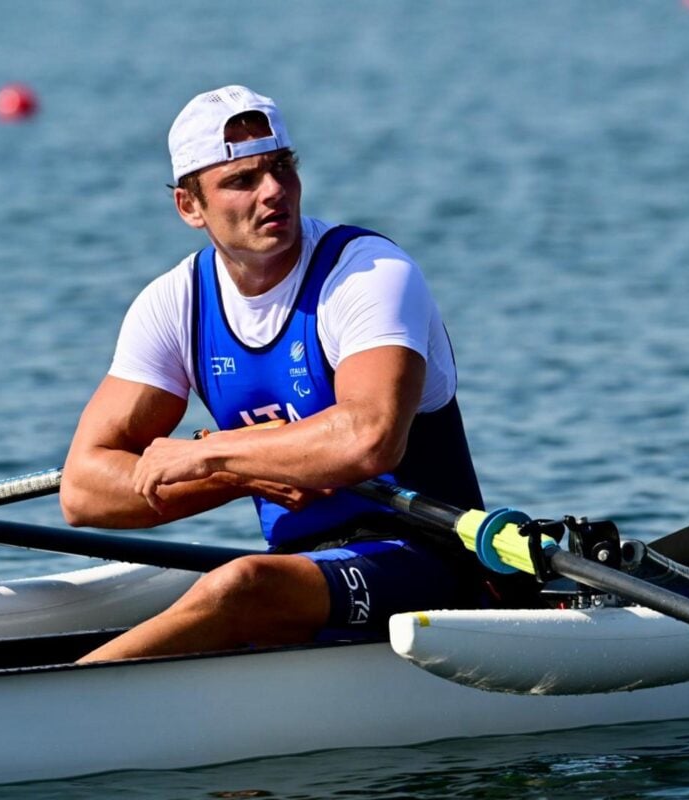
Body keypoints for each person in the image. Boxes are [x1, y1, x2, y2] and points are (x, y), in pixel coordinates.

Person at [60, 85, 526, 663]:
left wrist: (213, 453)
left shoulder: (367, 273)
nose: (274, 191)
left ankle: (38, 707)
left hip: (426, 563)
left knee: (241, 585)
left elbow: (369, 439)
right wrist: (241, 471)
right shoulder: (174, 304)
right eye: (242, 180)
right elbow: (82, 491)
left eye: (281, 167)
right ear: (189, 206)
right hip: (307, 569)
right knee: (245, 581)